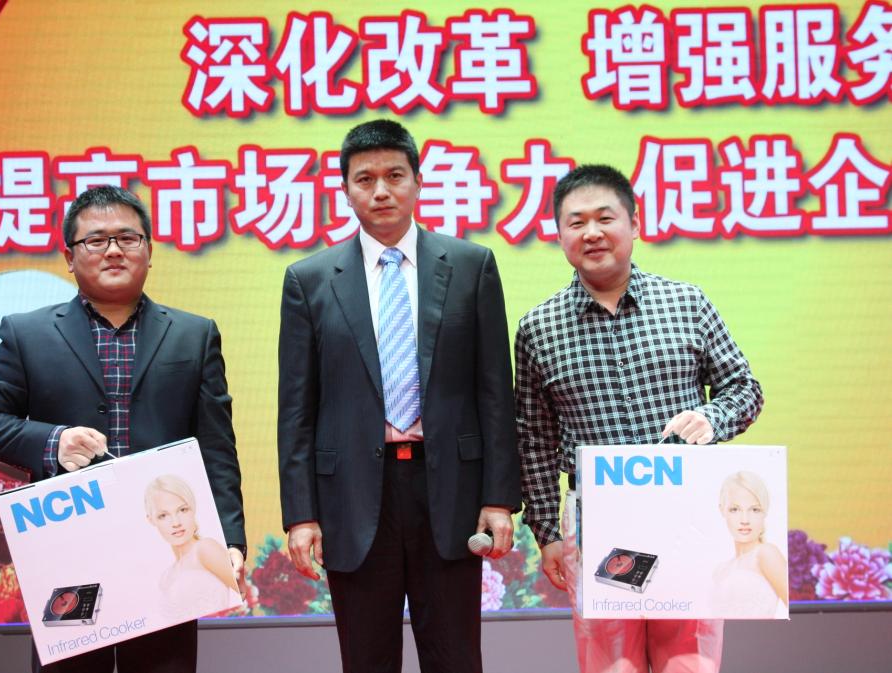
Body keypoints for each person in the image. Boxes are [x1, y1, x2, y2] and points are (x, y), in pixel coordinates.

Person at [0, 185, 246, 673]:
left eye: (127, 238)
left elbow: (217, 446)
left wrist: (231, 538)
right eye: (96, 240)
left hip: (162, 550)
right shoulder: (27, 333)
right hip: (69, 548)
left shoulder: (194, 334)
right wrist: (54, 441)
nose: (113, 250)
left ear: (149, 251)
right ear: (69, 257)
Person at [277, 119, 521, 673]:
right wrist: (301, 514)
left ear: (417, 182)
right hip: (353, 496)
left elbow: (494, 392)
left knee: (456, 659)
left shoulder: (470, 266)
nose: (381, 190)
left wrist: (499, 498)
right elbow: (296, 409)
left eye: (394, 175)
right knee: (366, 660)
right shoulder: (310, 280)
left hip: (450, 491)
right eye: (364, 179)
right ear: (345, 191)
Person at [514, 164, 764, 673]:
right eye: (576, 222)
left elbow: (745, 389)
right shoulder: (538, 328)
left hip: (687, 514)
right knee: (611, 664)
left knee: (689, 661)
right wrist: (547, 533)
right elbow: (534, 440)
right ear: (559, 235)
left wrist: (712, 417)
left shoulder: (687, 302)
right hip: (597, 523)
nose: (592, 233)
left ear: (634, 223)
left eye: (605, 218)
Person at [145, 474, 242, 620]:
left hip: (216, 631)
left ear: (193, 508)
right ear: (151, 520)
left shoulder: (205, 549)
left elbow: (246, 594)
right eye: (163, 515)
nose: (176, 522)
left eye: (182, 510)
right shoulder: (167, 575)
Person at [710, 471, 787, 618]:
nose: (744, 520)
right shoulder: (720, 570)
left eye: (754, 510)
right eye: (735, 509)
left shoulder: (766, 553)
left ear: (765, 511)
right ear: (722, 510)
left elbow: (795, 609)